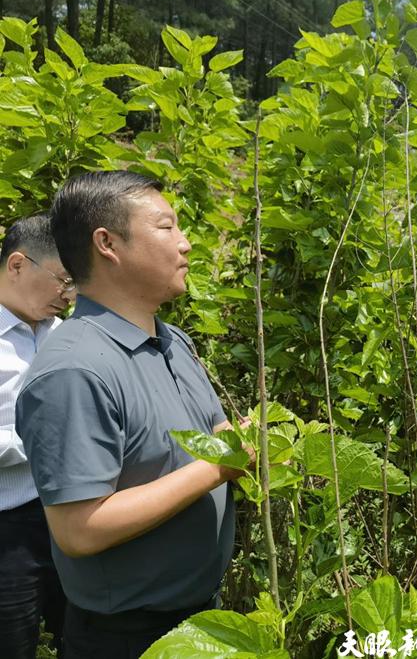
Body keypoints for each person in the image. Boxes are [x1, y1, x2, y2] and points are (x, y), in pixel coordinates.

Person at [16, 171, 246, 659]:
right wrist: (216, 469)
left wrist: (236, 439)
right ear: (107, 244)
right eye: (166, 227)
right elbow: (80, 529)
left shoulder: (172, 341)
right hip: (129, 638)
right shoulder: (74, 371)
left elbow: (206, 435)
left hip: (203, 616)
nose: (185, 244)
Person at [0, 215, 75, 658]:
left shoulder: (62, 334)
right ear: (17, 265)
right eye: (62, 280)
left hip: (66, 514)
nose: (68, 296)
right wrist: (50, 441)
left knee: (82, 636)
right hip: (7, 529)